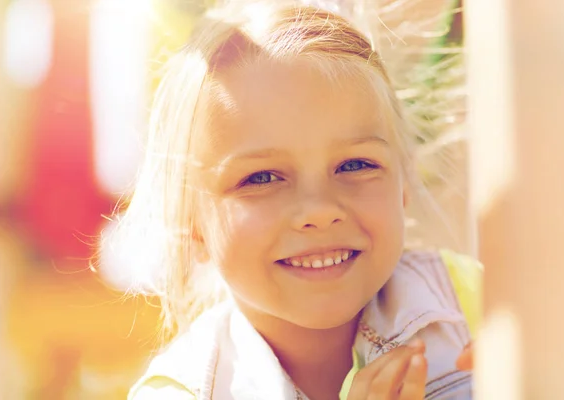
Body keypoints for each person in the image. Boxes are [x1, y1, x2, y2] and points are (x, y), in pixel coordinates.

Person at [108, 2, 481, 398]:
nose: (319, 210)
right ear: (190, 223)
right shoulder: (184, 390)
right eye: (262, 178)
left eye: (355, 165)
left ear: (403, 182)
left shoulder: (477, 302)